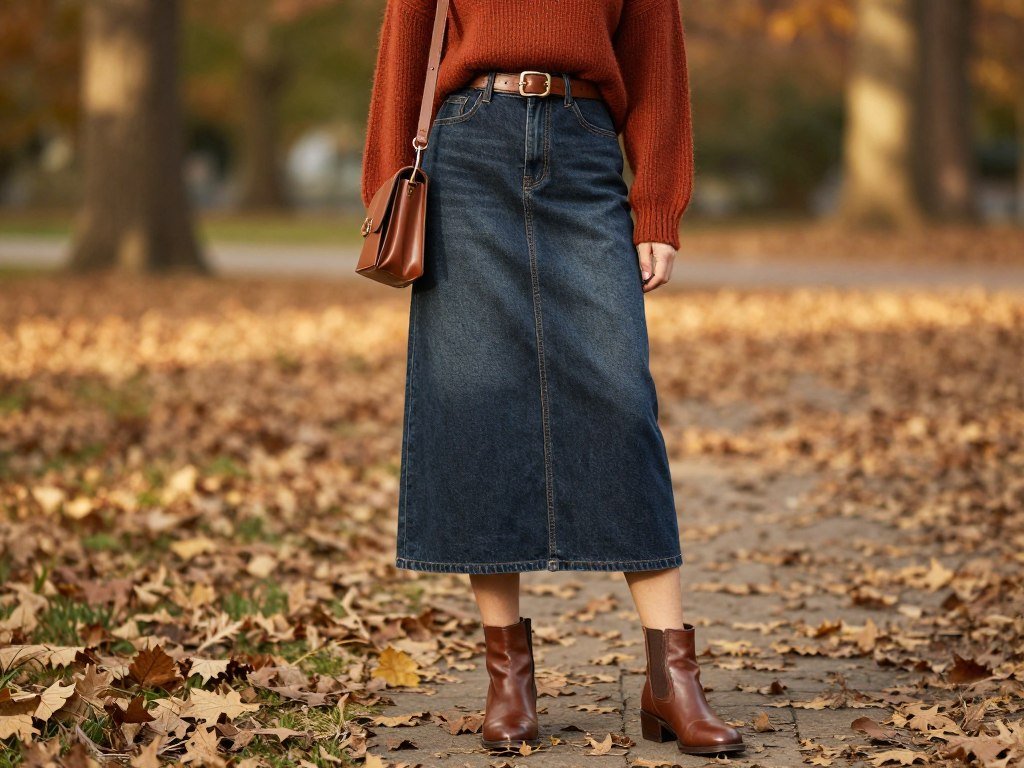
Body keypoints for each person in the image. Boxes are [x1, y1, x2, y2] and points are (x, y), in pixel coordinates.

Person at [360, 0, 744, 757]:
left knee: (622, 402)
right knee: (474, 401)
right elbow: (404, 49)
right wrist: (386, 193)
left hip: (585, 145)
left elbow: (658, 65)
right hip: (466, 150)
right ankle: (509, 678)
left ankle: (672, 678)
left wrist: (658, 207)